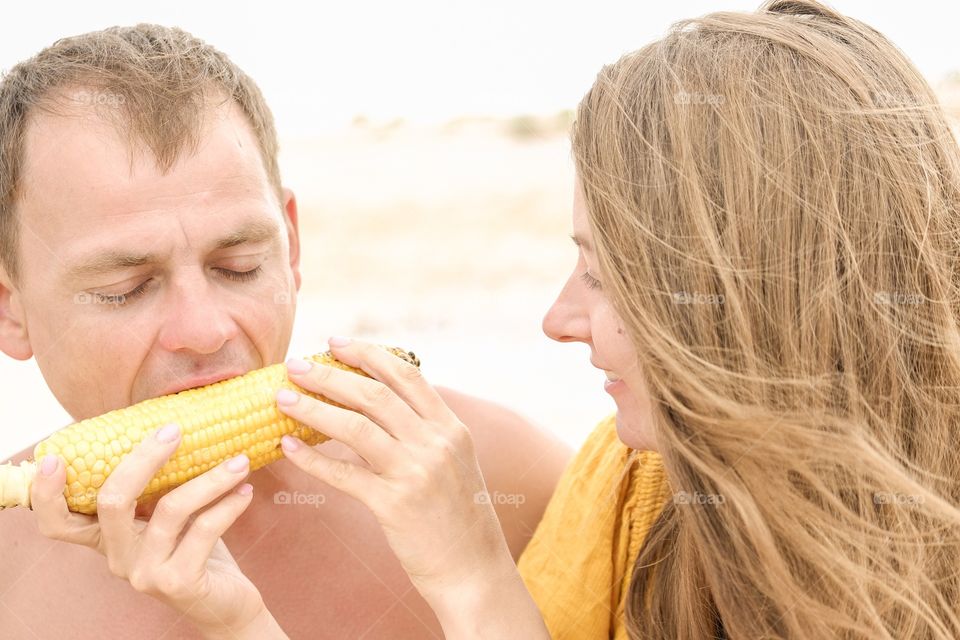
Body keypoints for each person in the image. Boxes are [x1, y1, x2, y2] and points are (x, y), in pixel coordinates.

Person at [49, 0, 960, 637]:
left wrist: (472, 570)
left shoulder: (547, 479)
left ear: (765, 297)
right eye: (124, 288)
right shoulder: (628, 490)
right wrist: (240, 617)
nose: (557, 320)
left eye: (606, 278)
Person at [0, 24, 572, 639]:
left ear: (291, 245)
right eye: (126, 288)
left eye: (237, 267)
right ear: (11, 309)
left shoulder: (500, 479)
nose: (204, 329)